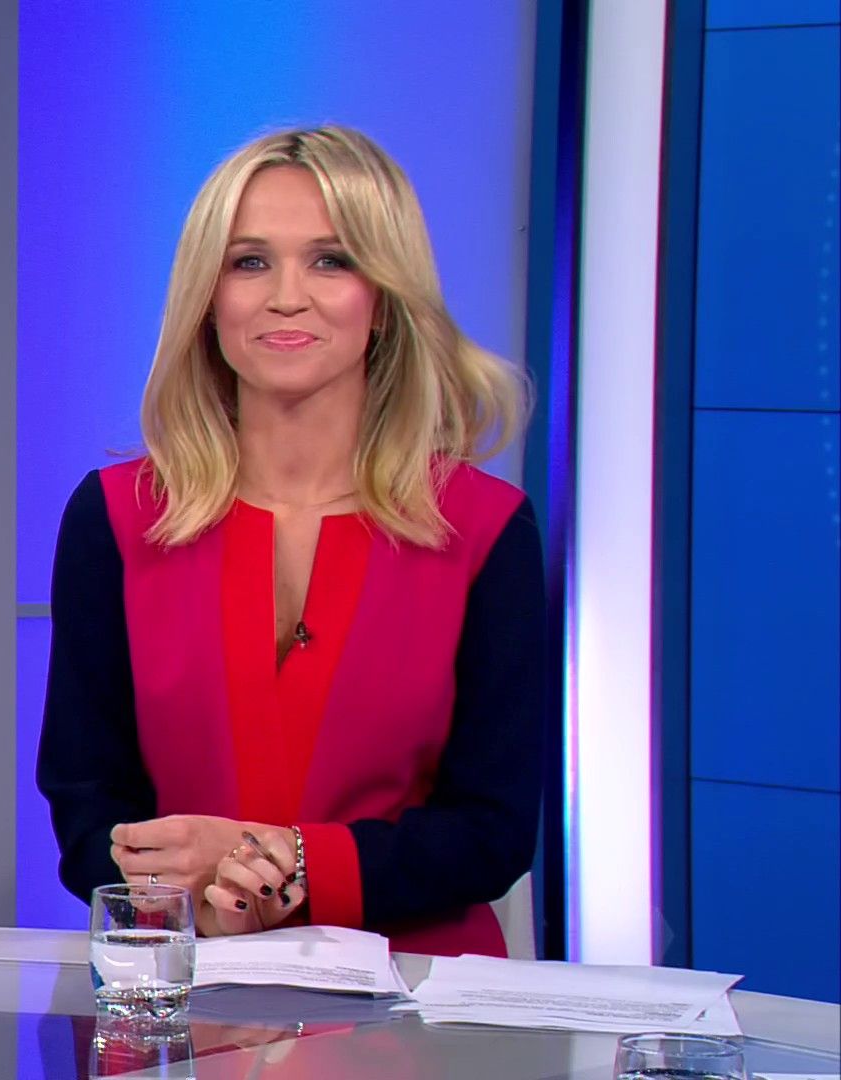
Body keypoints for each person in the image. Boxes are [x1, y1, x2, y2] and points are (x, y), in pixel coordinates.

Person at [38, 125, 546, 956]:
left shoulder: (484, 529)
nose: (286, 297)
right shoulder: (118, 517)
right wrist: (183, 900)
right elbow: (87, 806)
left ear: (384, 297)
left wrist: (290, 864)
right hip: (185, 983)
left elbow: (494, 832)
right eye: (249, 262)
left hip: (415, 994)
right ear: (208, 296)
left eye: (330, 260)